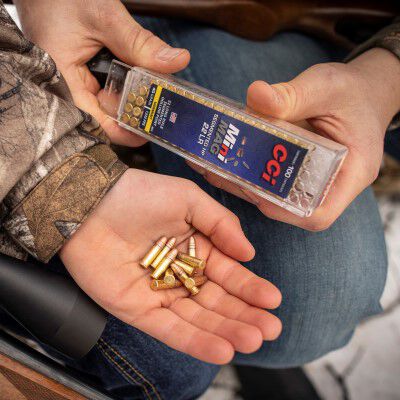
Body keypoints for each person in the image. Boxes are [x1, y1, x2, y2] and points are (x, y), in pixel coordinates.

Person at [0, 0, 398, 398]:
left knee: (317, 298)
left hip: (360, 28)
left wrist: (385, 76)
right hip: (190, 11)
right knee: (318, 292)